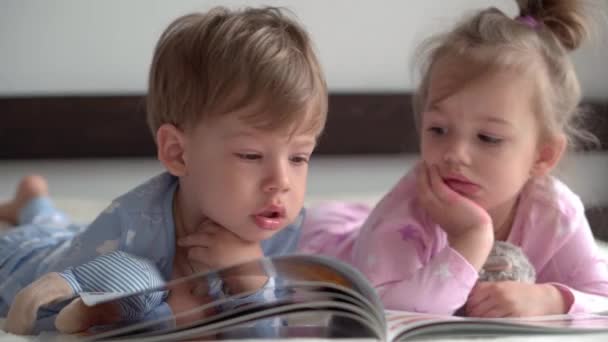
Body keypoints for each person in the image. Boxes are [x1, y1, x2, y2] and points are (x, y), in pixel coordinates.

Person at [0, 5, 327, 335]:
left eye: (299, 158)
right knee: (51, 236)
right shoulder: (129, 229)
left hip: (69, 233)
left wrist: (251, 282)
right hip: (24, 253)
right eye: (251, 155)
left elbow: (265, 334)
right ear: (178, 153)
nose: (281, 182)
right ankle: (33, 205)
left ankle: (33, 200)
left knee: (59, 226)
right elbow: (43, 313)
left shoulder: (283, 233)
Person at [299, 0, 608, 317]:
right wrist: (470, 240)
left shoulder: (554, 212)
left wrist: (553, 300)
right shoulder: (408, 209)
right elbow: (391, 311)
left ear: (542, 156)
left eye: (488, 138)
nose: (455, 154)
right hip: (327, 244)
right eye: (438, 129)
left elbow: (603, 297)